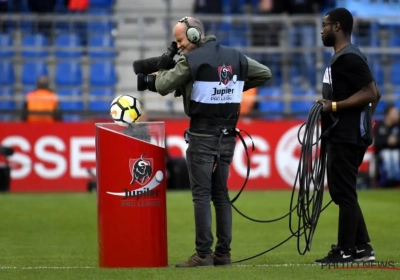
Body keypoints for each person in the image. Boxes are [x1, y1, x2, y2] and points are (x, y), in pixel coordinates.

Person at [149, 16, 271, 267]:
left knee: (201, 196)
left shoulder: (189, 60)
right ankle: (223, 254)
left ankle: (203, 254)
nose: (178, 45)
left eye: (180, 39)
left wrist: (163, 66)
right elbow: (265, 73)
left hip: (202, 136)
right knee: (221, 194)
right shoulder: (235, 55)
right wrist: (232, 86)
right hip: (228, 136)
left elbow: (162, 85)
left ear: (194, 35)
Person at [316, 8, 381, 264]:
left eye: (325, 25)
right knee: (344, 191)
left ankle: (345, 250)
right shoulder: (342, 57)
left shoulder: (350, 58)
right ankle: (362, 247)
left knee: (344, 193)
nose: (322, 30)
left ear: (338, 27)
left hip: (346, 136)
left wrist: (333, 107)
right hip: (341, 133)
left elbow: (371, 92)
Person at [374, 103, 400, 187]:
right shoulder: (379, 125)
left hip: (397, 150)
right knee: (387, 155)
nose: (397, 115)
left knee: (395, 155)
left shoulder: (398, 126)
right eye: (394, 113)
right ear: (387, 114)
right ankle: (388, 181)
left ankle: (396, 180)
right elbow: (377, 141)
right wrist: (387, 141)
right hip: (383, 151)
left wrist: (396, 141)